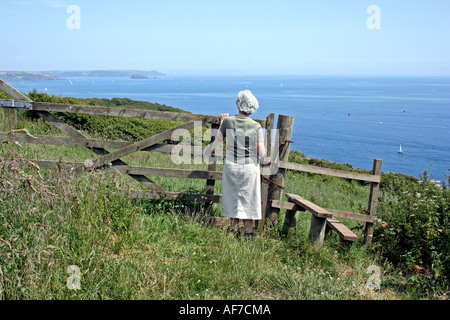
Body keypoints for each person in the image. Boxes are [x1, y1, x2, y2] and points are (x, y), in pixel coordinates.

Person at [213, 90, 267, 238]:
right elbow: (261, 153)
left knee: (232, 198)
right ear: (253, 107)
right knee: (249, 199)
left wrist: (222, 123)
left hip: (231, 166)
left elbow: (218, 140)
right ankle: (248, 233)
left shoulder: (229, 121)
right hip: (249, 168)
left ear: (238, 104)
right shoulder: (256, 126)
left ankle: (234, 230)